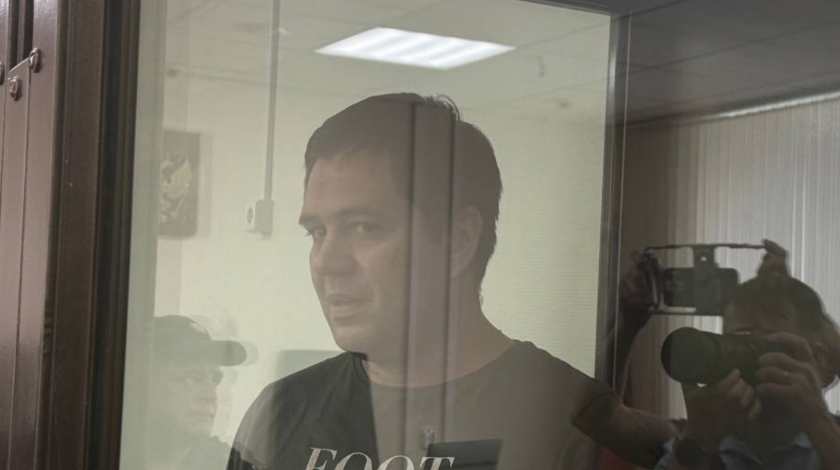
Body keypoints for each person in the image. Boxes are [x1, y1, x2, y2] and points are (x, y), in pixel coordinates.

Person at [227, 93, 674, 470]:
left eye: (364, 227)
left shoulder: (572, 421)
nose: (327, 262)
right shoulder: (280, 411)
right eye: (317, 232)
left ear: (458, 241)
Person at [656, 251, 840, 469]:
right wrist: (698, 440)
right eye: (738, 343)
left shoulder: (829, 438)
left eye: (769, 347)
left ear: (819, 364)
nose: (752, 361)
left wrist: (817, 421)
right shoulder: (699, 440)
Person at [147, 315, 247, 470]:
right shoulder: (112, 455)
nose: (211, 396)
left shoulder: (227, 463)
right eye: (193, 378)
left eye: (215, 380)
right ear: (149, 384)